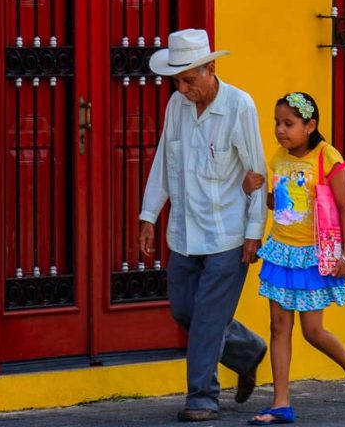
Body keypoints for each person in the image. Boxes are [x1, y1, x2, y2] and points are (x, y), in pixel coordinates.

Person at [140, 28, 269, 423]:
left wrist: (252, 233)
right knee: (184, 311)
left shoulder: (239, 106)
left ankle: (202, 397)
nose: (182, 88)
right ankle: (247, 351)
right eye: (177, 80)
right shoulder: (175, 107)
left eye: (189, 80)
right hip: (183, 233)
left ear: (211, 69)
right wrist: (149, 215)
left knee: (209, 319)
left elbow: (256, 172)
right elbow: (164, 159)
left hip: (228, 235)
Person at [247, 92, 345, 425]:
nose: (280, 130)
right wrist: (258, 190)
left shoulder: (327, 156)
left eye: (288, 124)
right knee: (278, 327)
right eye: (277, 123)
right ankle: (280, 403)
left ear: (310, 125)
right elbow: (282, 205)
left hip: (312, 255)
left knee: (313, 330)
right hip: (281, 251)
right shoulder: (278, 158)